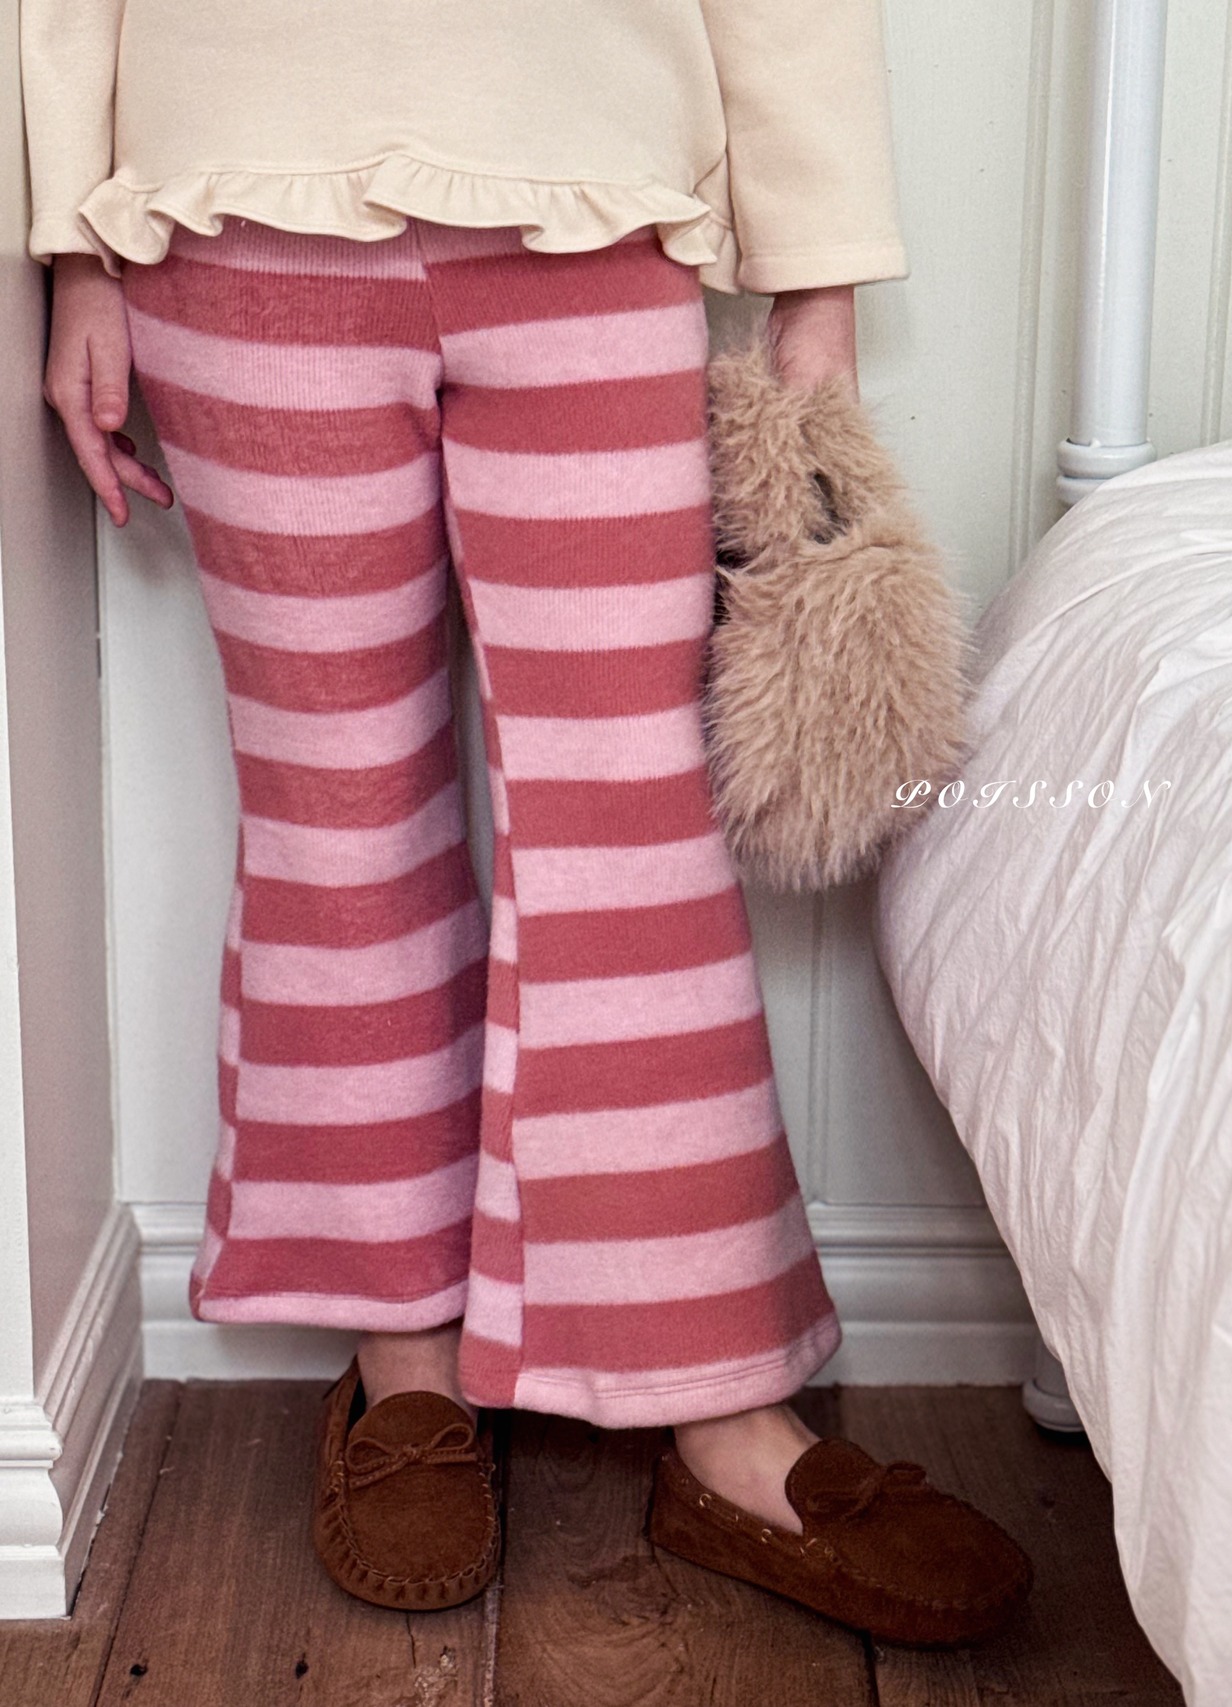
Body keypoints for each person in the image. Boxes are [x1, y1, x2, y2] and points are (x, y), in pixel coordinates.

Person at [22, 0, 1032, 1641]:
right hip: (229, 210)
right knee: (334, 822)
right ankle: (401, 1357)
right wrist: (75, 249)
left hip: (593, 213)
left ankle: (719, 1397)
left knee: (637, 841)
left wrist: (818, 280)